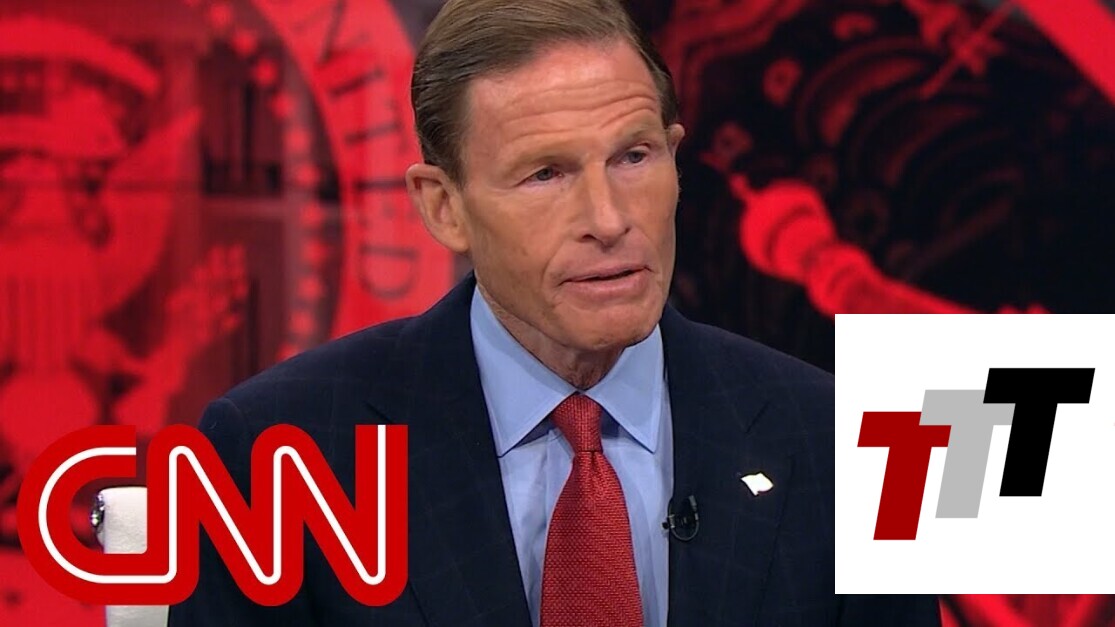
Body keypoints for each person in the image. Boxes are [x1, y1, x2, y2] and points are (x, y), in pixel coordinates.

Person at [170, 0, 940, 625]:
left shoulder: (837, 443)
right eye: (545, 173)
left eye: (633, 157)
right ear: (443, 207)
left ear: (675, 159)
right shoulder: (281, 452)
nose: (608, 218)